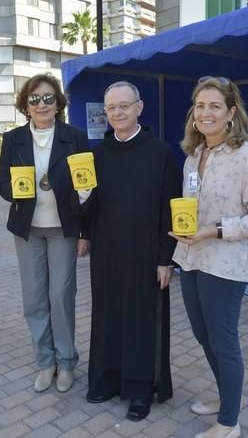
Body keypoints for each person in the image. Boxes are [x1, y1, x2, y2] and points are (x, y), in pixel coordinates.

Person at [170, 76, 248, 438]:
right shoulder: (194, 155)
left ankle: (229, 423)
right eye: (200, 105)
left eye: (215, 106)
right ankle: (224, 396)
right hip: (191, 257)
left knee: (223, 340)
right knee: (203, 334)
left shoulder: (246, 156)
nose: (206, 112)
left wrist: (213, 230)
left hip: (225, 264)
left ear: (231, 112)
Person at [80, 81, 182, 421]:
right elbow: (88, 208)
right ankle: (107, 380)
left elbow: (171, 208)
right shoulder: (95, 156)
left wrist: (166, 258)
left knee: (141, 321)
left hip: (146, 254)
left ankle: (140, 390)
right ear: (105, 113)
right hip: (107, 253)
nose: (118, 113)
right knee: (107, 317)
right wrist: (81, 196)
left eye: (124, 106)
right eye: (111, 108)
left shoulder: (161, 152)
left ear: (140, 107)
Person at [0, 73, 90, 394]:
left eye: (48, 98)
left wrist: (85, 232)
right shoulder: (13, 140)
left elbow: (88, 187)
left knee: (61, 296)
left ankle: (66, 362)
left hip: (63, 228)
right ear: (26, 104)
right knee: (34, 298)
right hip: (28, 229)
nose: (41, 104)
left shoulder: (74, 136)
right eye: (34, 99)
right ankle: (45, 361)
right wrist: (18, 190)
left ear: (58, 102)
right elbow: (3, 186)